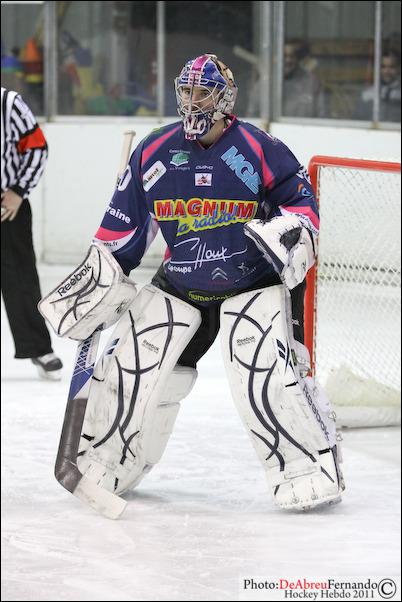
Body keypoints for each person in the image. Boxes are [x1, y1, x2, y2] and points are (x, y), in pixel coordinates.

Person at [41, 54, 344, 517]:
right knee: (132, 371)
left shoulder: (260, 148)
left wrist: (290, 234)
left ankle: (306, 467)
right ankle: (112, 462)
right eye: (186, 90)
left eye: (203, 92)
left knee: (264, 374)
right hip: (183, 282)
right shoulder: (154, 151)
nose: (193, 100)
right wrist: (98, 282)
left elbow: (301, 207)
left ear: (225, 98)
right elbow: (121, 232)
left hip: (250, 282)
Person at [1, 87, 63, 379]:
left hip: (7, 206)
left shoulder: (8, 103)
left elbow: (37, 147)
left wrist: (18, 190)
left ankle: (38, 348)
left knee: (20, 278)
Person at [247, 41, 326, 118]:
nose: (288, 60)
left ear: (297, 59)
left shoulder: (311, 82)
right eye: (284, 56)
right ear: (275, 59)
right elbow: (252, 116)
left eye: (292, 56)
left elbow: (322, 115)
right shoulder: (264, 84)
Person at [354, 50, 401, 122]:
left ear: (399, 68)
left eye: (391, 67)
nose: (387, 71)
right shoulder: (367, 93)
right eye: (383, 67)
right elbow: (357, 120)